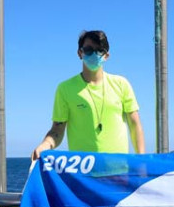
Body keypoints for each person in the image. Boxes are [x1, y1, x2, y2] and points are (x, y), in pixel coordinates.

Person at [32, 30, 145, 160]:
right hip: (83, 174)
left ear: (106, 55)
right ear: (80, 53)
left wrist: (141, 161)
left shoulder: (122, 84)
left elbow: (135, 125)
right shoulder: (65, 89)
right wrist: (45, 145)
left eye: (99, 50)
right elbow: (57, 130)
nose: (94, 54)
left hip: (118, 172)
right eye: (89, 50)